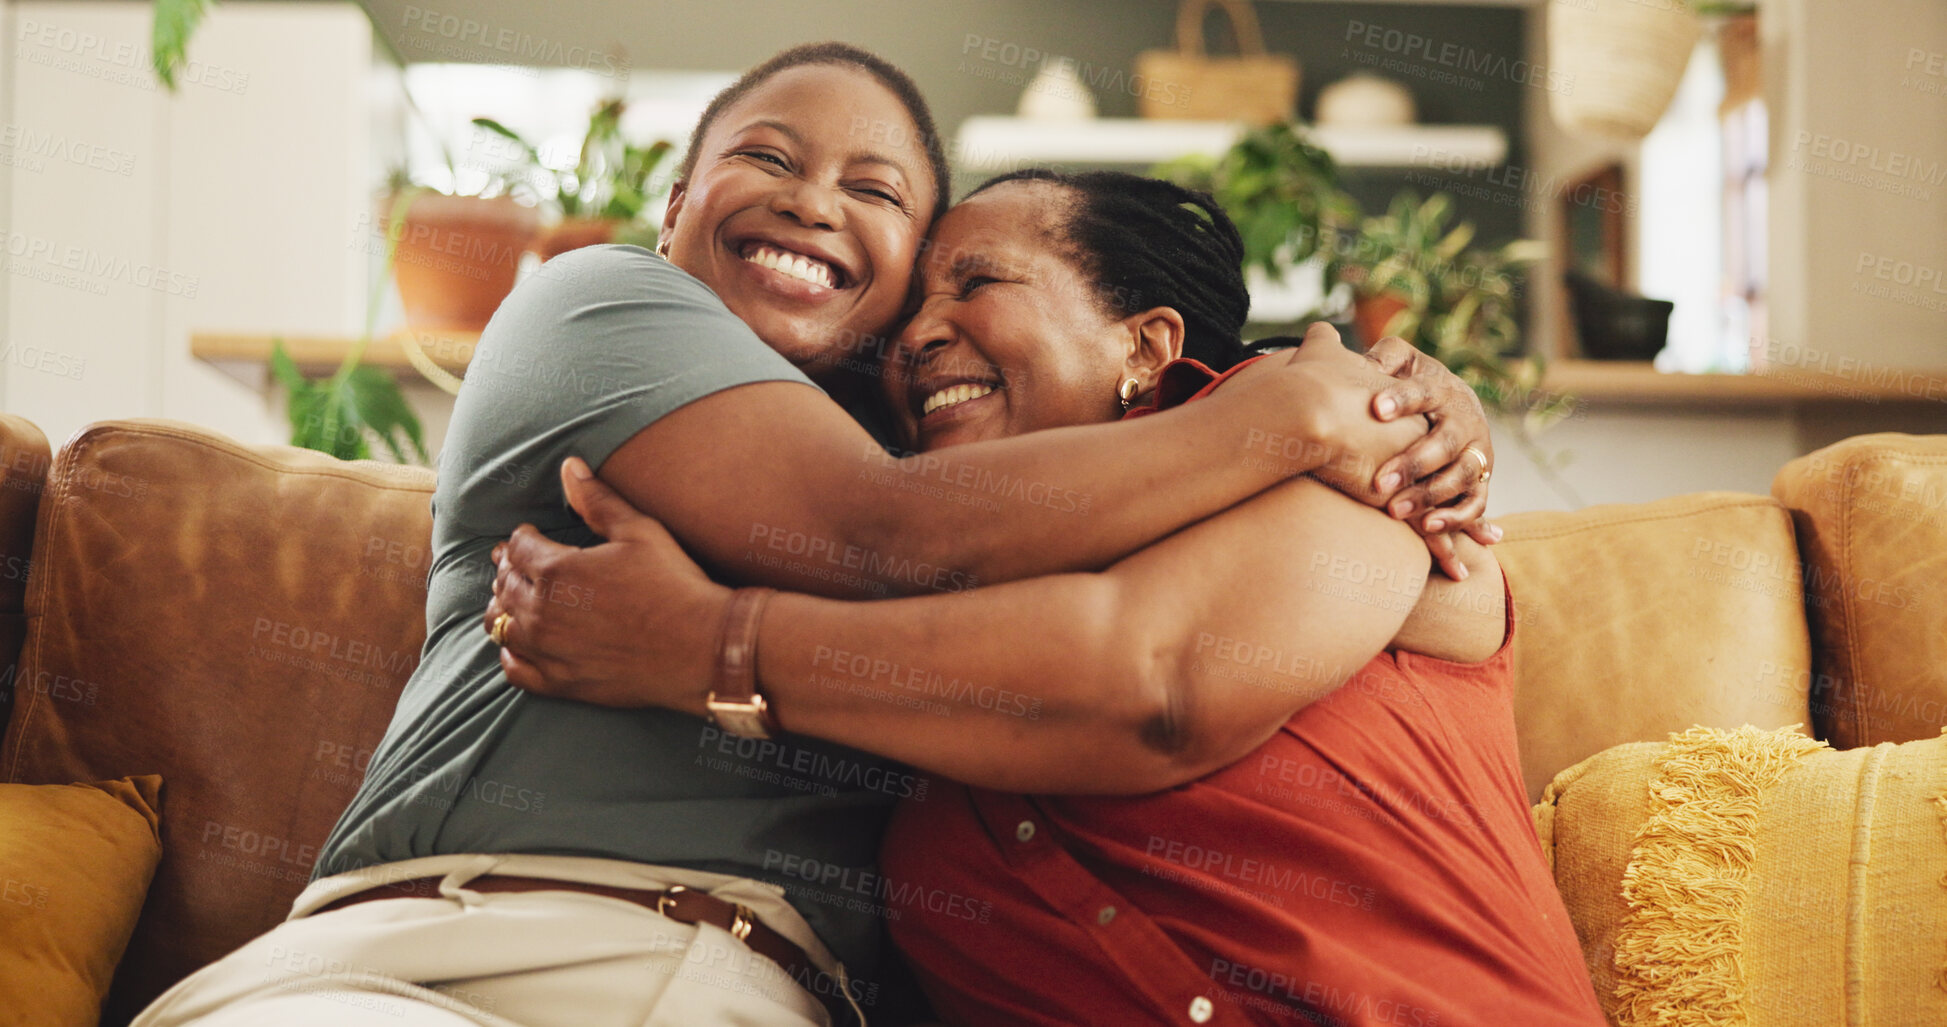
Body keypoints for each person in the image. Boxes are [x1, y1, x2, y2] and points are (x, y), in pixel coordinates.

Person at [133, 43, 1496, 1027]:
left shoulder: (1030, 487)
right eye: (765, 159)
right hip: (448, 945)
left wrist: (1362, 404)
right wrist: (1324, 407)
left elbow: (1136, 674)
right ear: (673, 205)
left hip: (758, 990)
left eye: (879, 196)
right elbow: (880, 531)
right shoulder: (603, 305)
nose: (810, 201)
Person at [488, 171, 1603, 1026]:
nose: (918, 336)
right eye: (907, 314)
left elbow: (1156, 685)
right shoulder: (912, 644)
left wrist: (707, 649)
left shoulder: (1327, 431)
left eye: (977, 284)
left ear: (1146, 343)